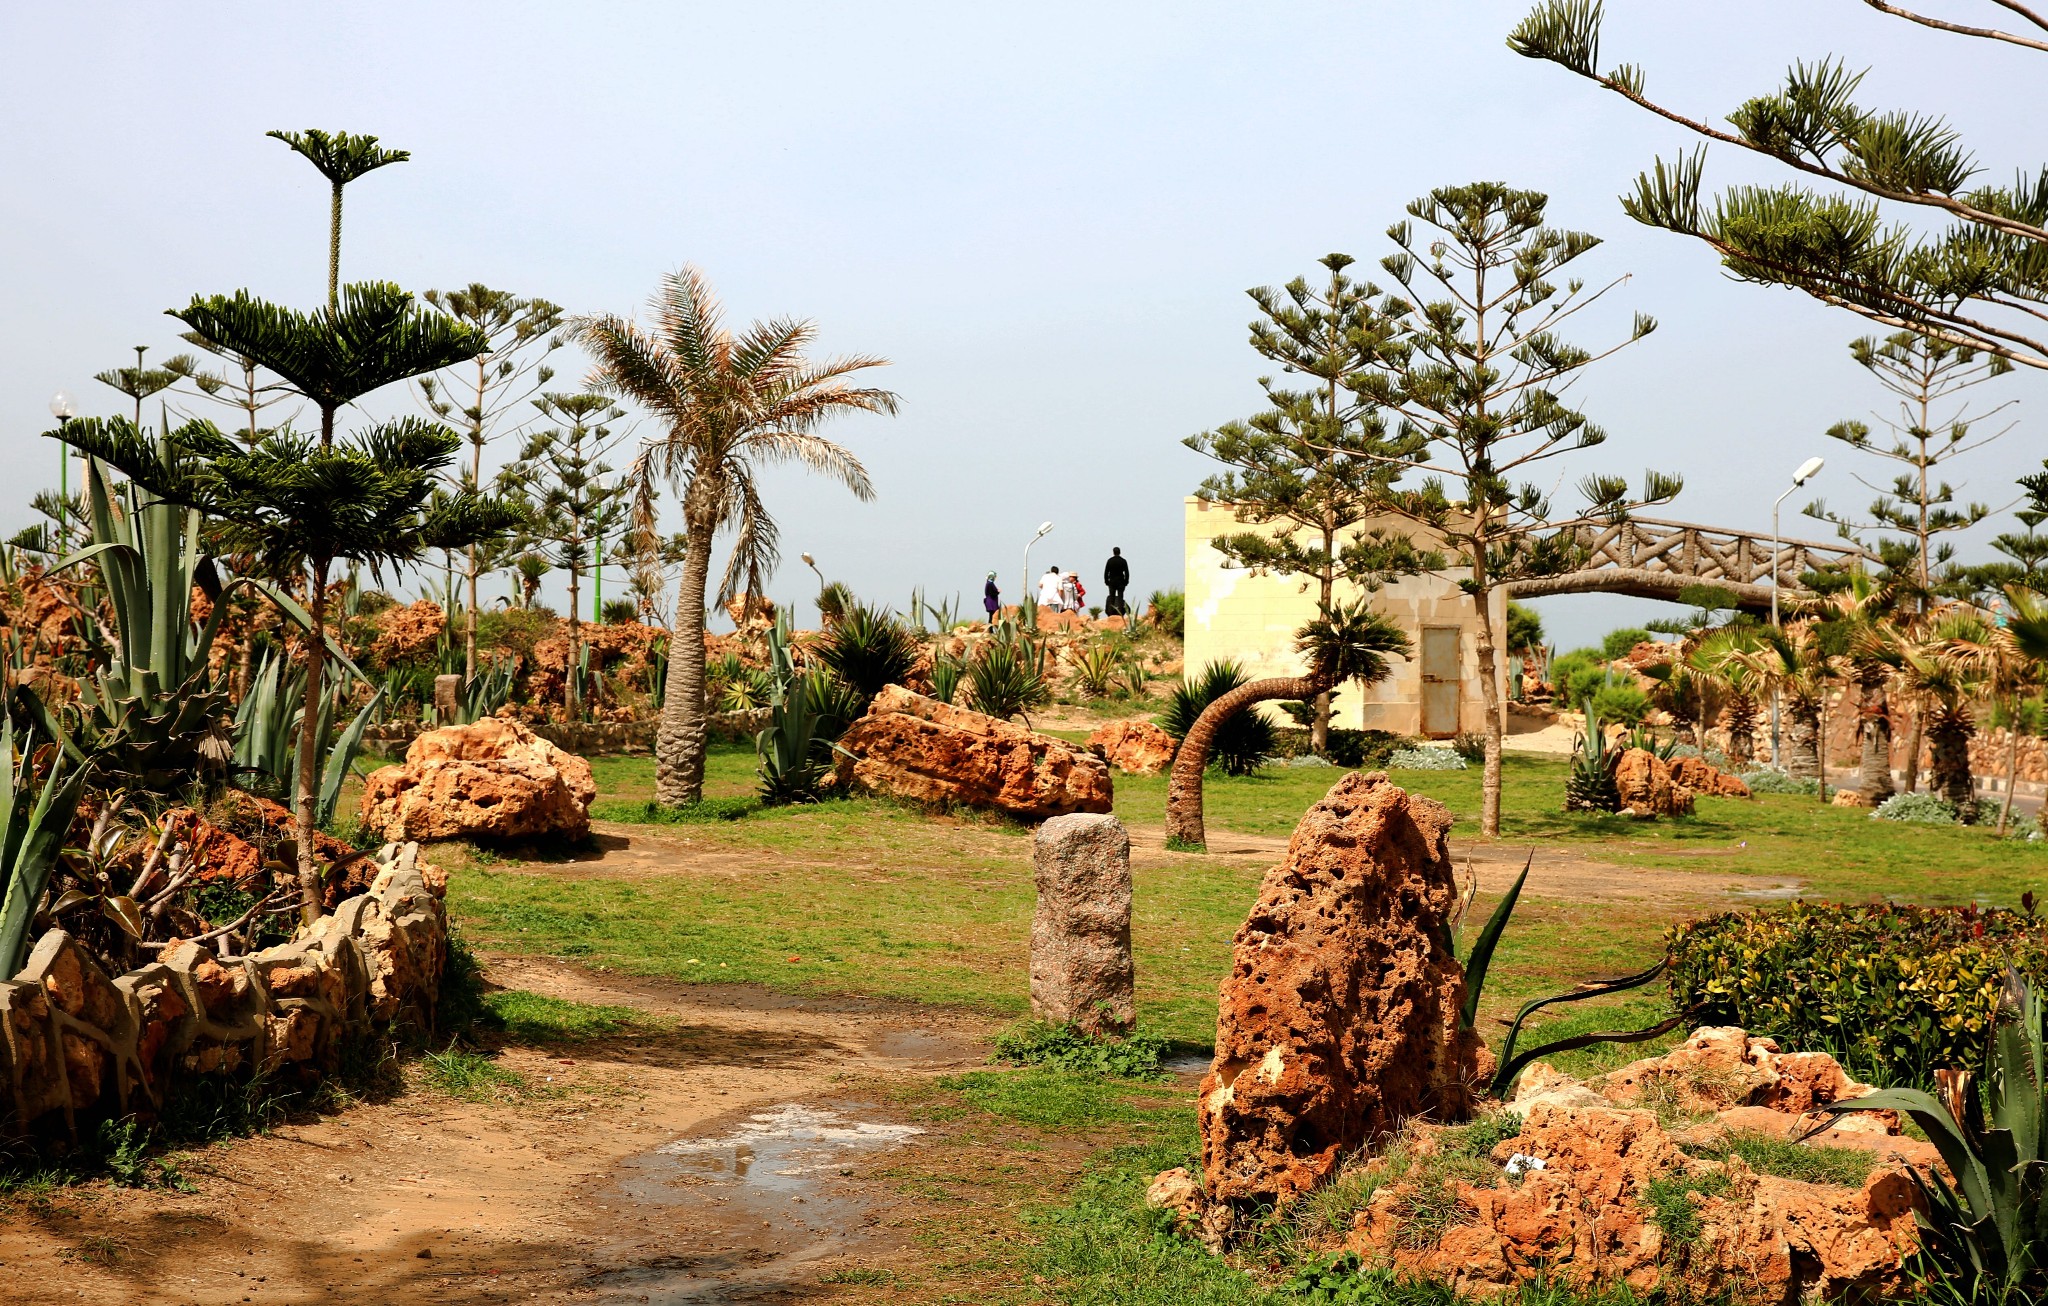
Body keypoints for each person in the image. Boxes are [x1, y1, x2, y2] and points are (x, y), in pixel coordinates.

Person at [1103, 547, 1130, 616]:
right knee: (1120, 598)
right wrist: (1126, 582)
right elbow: (1127, 573)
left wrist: (1106, 581)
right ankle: (1120, 612)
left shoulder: (1110, 561)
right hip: (1121, 581)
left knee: (1112, 597)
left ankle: (1111, 613)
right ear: (1119, 552)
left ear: (1113, 552)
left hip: (1112, 581)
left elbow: (1106, 572)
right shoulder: (1123, 561)